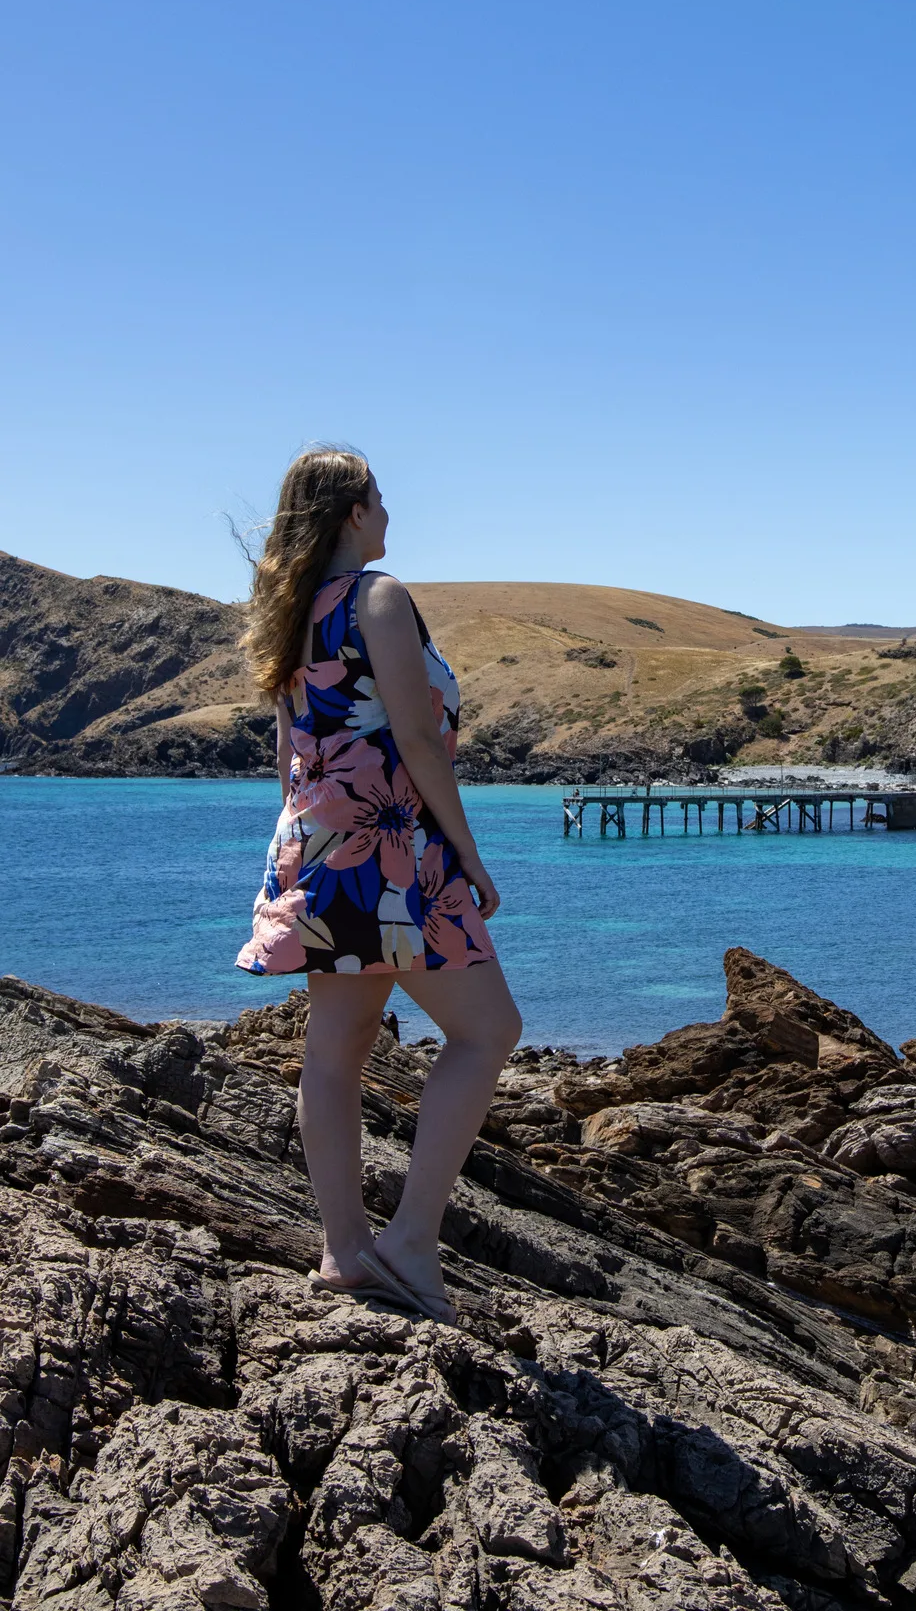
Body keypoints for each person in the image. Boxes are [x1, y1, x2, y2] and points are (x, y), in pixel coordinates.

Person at [236, 447, 520, 1322]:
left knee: (334, 1051)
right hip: (390, 845)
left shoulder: (288, 613)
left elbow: (291, 754)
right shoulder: (377, 596)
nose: (390, 514)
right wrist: (467, 854)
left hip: (315, 844)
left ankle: (344, 1251)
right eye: (380, 498)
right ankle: (407, 1242)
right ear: (353, 510)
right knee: (488, 1031)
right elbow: (417, 739)